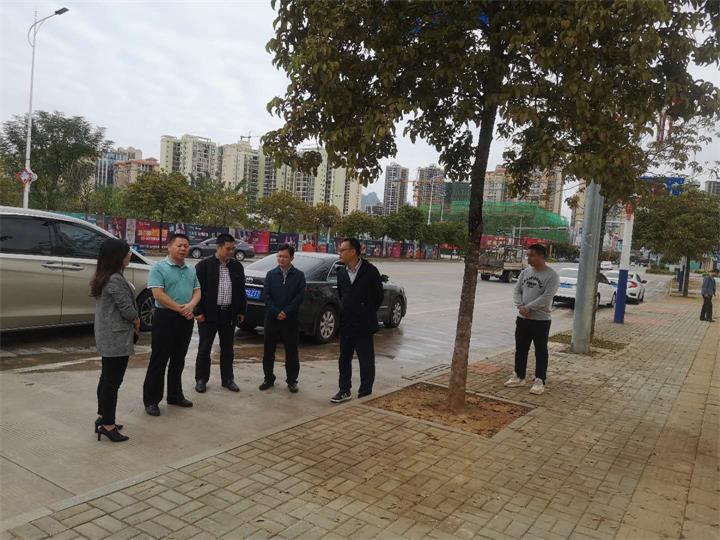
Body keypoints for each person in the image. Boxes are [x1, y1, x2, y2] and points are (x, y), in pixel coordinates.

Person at [142, 233, 201, 416]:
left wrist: (191, 306)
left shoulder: (191, 269)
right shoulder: (159, 268)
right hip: (165, 317)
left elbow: (197, 291)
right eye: (179, 245)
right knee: (159, 359)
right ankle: (151, 400)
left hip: (186, 317)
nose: (183, 249)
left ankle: (175, 395)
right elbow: (158, 294)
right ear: (169, 247)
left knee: (179, 358)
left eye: (186, 246)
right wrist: (180, 308)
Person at [91, 239, 140, 442]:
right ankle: (108, 425)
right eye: (127, 252)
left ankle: (104, 417)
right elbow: (127, 310)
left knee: (106, 379)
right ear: (117, 256)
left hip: (108, 335)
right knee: (112, 383)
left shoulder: (106, 276)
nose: (130, 255)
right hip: (116, 338)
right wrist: (137, 321)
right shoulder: (115, 280)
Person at [330, 238, 384, 403]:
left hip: (364, 324)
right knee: (344, 359)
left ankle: (365, 393)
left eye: (342, 250)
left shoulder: (370, 271)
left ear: (353, 252)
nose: (339, 253)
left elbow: (378, 297)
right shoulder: (341, 273)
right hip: (347, 323)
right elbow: (342, 295)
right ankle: (344, 390)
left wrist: (364, 311)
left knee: (366, 361)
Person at [194, 234, 247, 393]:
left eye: (233, 249)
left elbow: (241, 291)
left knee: (228, 349)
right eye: (228, 248)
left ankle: (228, 379)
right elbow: (195, 290)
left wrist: (241, 310)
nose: (231, 252)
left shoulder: (237, 267)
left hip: (229, 314)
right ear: (218, 247)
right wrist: (198, 311)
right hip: (208, 314)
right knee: (205, 348)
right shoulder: (203, 266)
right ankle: (201, 379)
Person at [505, 243, 560, 395]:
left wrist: (528, 308)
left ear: (541, 256)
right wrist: (520, 306)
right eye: (527, 255)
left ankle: (539, 380)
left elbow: (547, 297)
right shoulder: (525, 272)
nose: (528, 258)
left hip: (541, 320)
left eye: (531, 255)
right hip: (522, 318)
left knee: (540, 351)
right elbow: (517, 290)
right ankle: (519, 376)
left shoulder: (552, 276)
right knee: (521, 349)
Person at [259, 244, 306, 393]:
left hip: (290, 319)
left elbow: (300, 296)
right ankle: (268, 378)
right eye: (279, 256)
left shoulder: (299, 276)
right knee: (268, 350)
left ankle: (292, 380)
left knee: (291, 351)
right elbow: (266, 295)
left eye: (285, 256)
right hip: (272, 318)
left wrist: (286, 311)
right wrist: (276, 311)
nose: (281, 259)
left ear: (291, 258)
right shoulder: (271, 274)